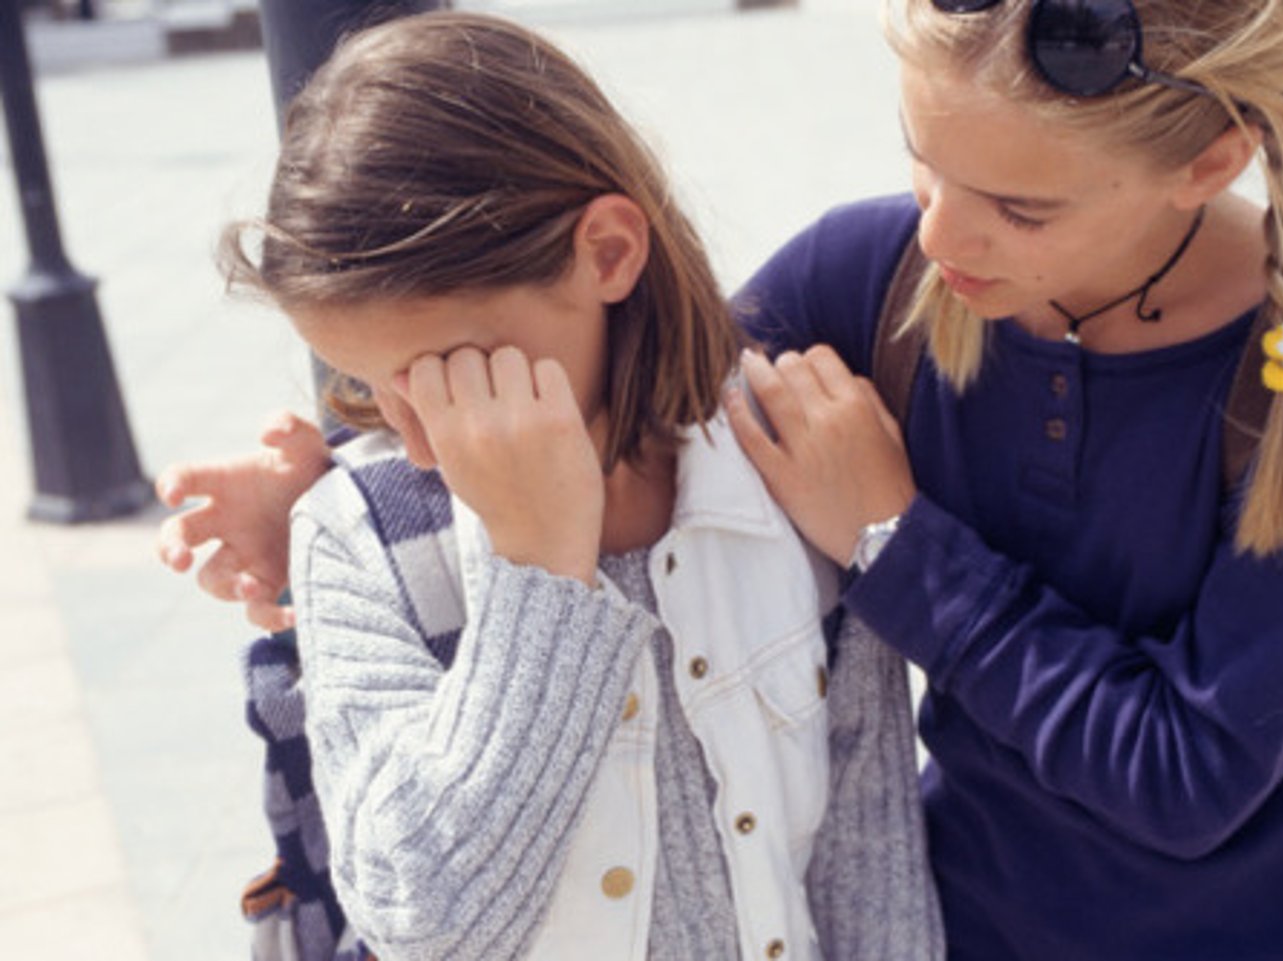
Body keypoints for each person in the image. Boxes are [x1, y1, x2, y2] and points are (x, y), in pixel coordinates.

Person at [160, 1, 1283, 959]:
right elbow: (633, 382)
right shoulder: (880, 277)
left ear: (1210, 159)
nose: (942, 233)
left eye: (1021, 208)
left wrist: (894, 539)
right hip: (976, 922)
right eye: (923, 162)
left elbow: (1189, 776)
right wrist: (344, 471)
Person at [170, 11, 944, 961]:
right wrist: (535, 570)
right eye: (370, 385)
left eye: (447, 371)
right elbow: (427, 922)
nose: (420, 441)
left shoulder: (790, 472)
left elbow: (872, 872)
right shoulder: (358, 544)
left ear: (609, 253)